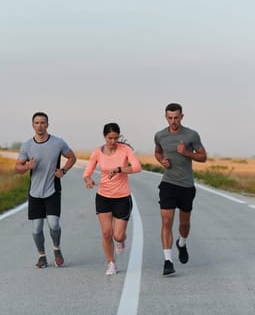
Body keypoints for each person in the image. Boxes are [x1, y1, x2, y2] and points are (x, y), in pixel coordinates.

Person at [15, 111, 77, 269]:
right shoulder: (27, 145)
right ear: (32, 125)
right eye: (37, 123)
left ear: (47, 125)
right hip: (35, 192)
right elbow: (18, 167)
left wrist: (63, 171)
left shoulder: (58, 142)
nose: (40, 126)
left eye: (43, 123)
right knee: (36, 229)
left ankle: (57, 249)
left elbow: (72, 157)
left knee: (53, 224)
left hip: (52, 189)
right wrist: (27, 166)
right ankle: (42, 256)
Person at [154, 103, 207, 276]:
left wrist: (186, 153)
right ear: (165, 117)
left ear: (182, 117)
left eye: (176, 117)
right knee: (166, 221)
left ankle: (182, 243)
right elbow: (158, 152)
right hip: (168, 183)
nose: (173, 121)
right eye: (170, 118)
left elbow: (203, 156)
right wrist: (162, 161)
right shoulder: (160, 135)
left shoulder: (191, 135)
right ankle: (168, 261)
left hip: (186, 186)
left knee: (184, 224)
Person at [83, 123, 142, 275]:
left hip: (122, 197)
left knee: (118, 235)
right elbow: (87, 172)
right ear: (105, 137)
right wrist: (88, 180)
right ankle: (111, 263)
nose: (113, 141)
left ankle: (121, 240)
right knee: (106, 233)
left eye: (116, 138)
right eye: (110, 138)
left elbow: (137, 167)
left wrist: (119, 169)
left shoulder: (125, 150)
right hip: (103, 196)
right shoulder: (97, 152)